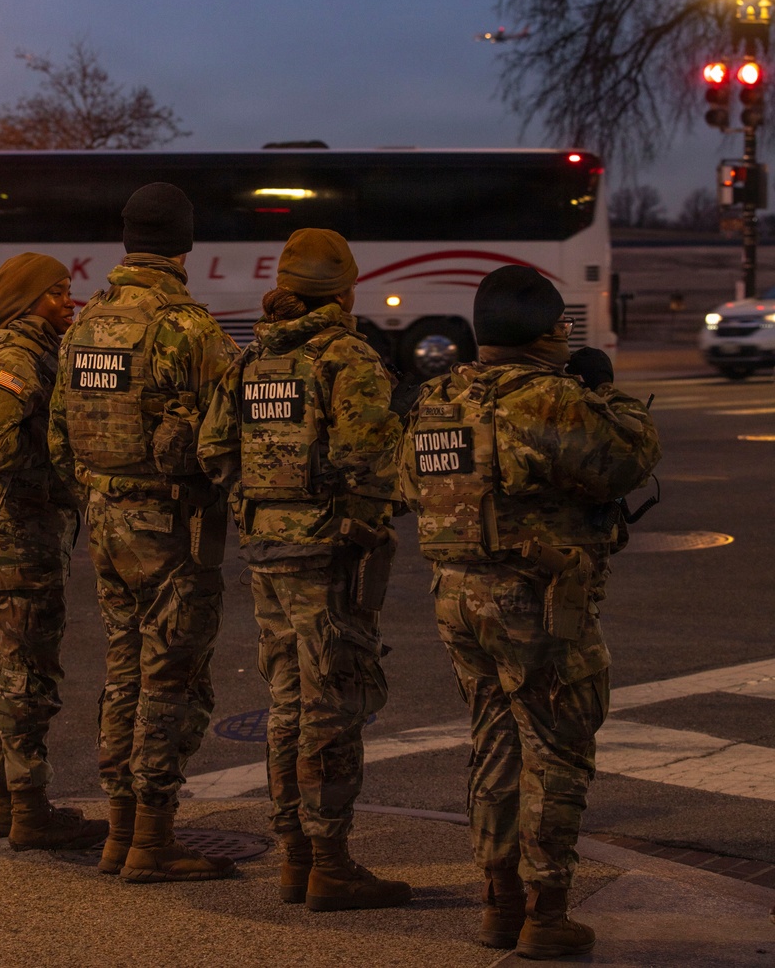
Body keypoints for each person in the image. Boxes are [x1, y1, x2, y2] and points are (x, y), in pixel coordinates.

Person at [398, 264, 661, 959]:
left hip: (456, 596)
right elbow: (629, 461)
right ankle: (547, 910)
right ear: (550, 331)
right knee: (557, 749)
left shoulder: (436, 399)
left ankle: (499, 901)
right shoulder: (550, 398)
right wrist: (606, 391)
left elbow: (405, 482)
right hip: (537, 600)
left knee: (492, 742)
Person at [199, 228, 412, 913]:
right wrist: (359, 514)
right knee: (333, 705)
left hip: (266, 547)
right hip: (328, 557)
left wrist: (259, 503)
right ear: (346, 289)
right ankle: (330, 861)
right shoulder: (347, 359)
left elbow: (213, 450)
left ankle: (292, 852)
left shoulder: (251, 360)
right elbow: (374, 464)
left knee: (286, 702)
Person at [48, 182, 239, 882]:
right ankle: (153, 839)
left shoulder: (85, 325)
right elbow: (229, 438)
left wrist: (102, 489)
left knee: (124, 665)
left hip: (103, 516)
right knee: (173, 675)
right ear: (185, 245)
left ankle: (119, 831)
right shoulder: (188, 328)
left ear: (128, 240)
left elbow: (58, 437)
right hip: (169, 525)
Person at [0, 252, 107, 851]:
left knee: (14, 665)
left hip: (28, 531)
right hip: (21, 533)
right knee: (26, 672)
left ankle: (8, 805)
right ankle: (27, 810)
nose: (66, 302)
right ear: (27, 301)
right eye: (55, 293)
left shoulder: (37, 352)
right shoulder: (18, 361)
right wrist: (58, 474)